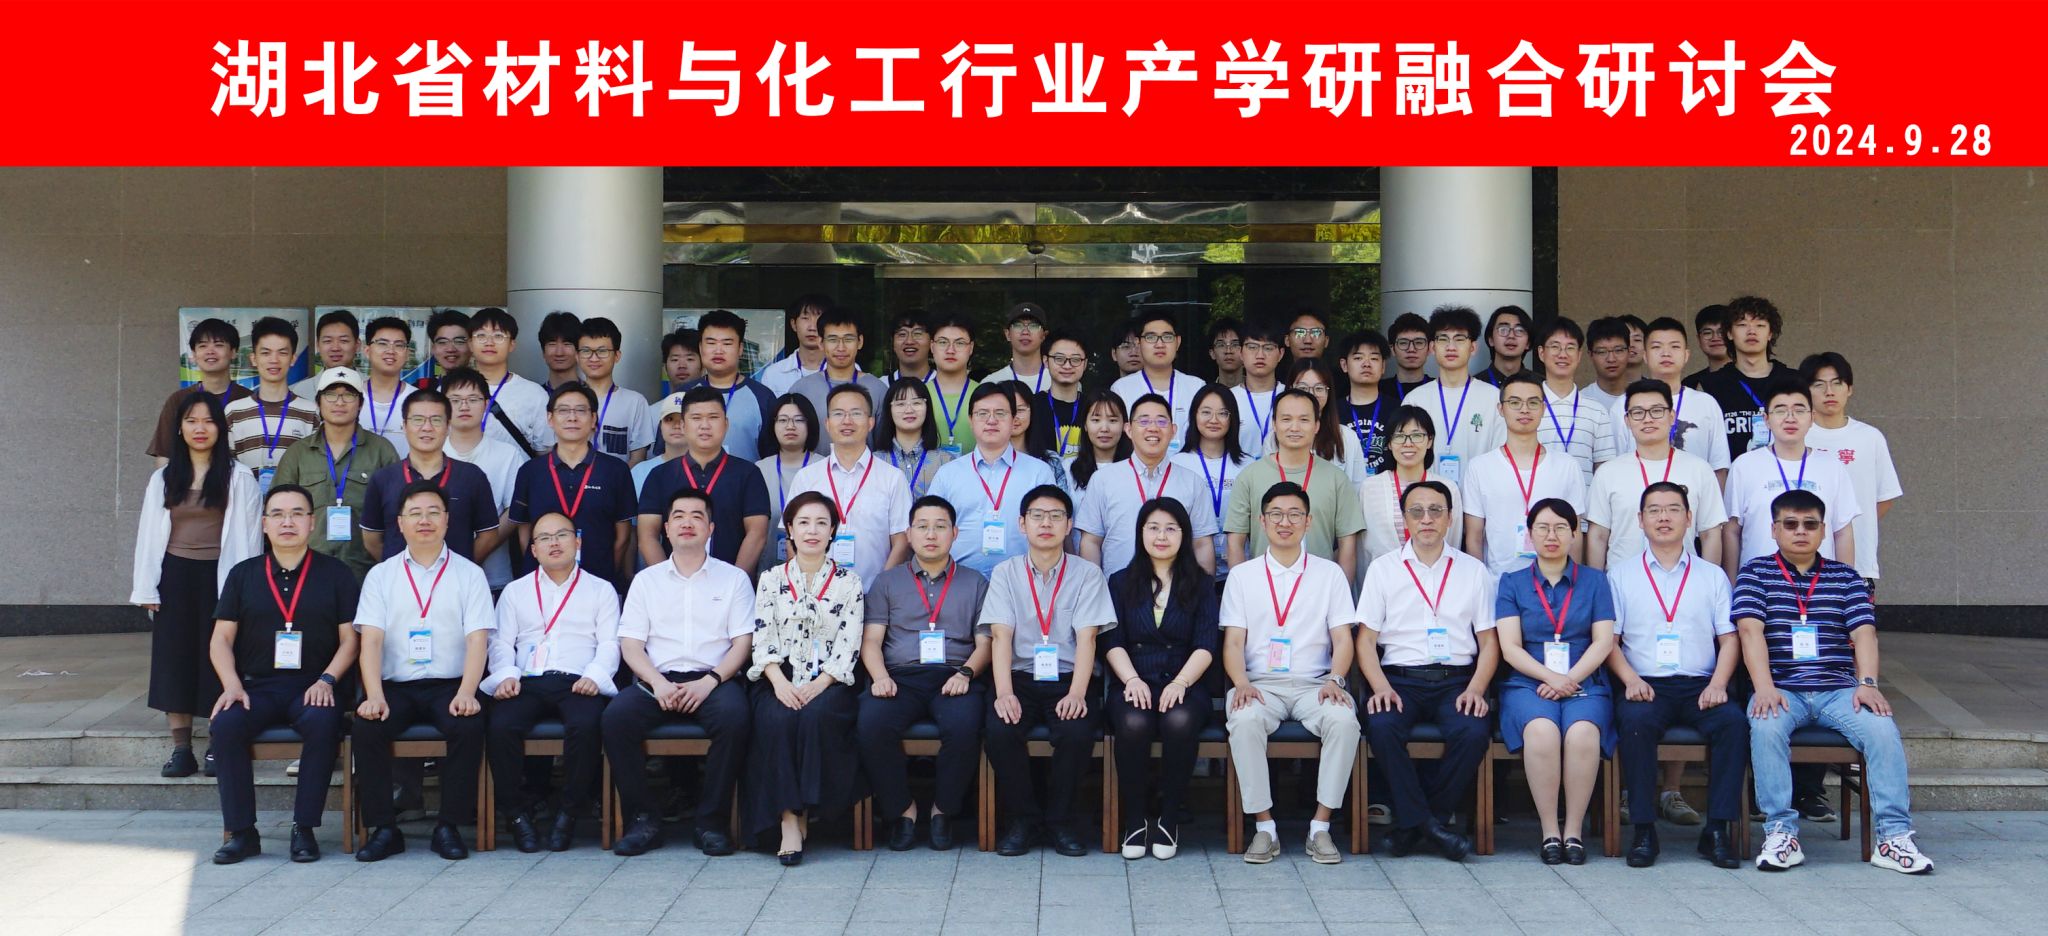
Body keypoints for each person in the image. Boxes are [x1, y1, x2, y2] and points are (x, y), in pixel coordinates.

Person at [1736, 490, 1931, 874]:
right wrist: (1763, 686)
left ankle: (1893, 838)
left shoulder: (1845, 577)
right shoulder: (1755, 573)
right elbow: (1749, 632)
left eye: (1810, 524)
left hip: (1839, 690)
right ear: (1774, 529)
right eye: (1791, 524)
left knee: (1882, 729)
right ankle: (1781, 833)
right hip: (1781, 689)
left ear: (1823, 530)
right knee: (1765, 726)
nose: (1801, 531)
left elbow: (1864, 634)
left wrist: (1868, 683)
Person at [205, 483, 360, 864]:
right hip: (256, 687)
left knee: (323, 722)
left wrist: (327, 680)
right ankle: (242, 832)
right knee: (225, 724)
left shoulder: (336, 574)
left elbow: (351, 640)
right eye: (277, 514)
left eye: (296, 514)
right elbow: (220, 639)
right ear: (264, 524)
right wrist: (231, 685)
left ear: (312, 522)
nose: (287, 522)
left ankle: (303, 828)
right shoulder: (243, 574)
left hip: (314, 686)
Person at [350, 479, 496, 862]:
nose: (424, 520)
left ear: (447, 520)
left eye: (433, 512)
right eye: (415, 513)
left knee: (468, 724)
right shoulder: (381, 575)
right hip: (395, 687)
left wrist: (467, 692)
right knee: (367, 727)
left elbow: (477, 640)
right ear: (400, 523)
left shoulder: (469, 574)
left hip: (451, 684)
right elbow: (371, 642)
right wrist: (374, 696)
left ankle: (449, 826)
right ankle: (384, 829)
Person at [605, 488, 755, 857]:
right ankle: (643, 820)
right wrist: (657, 683)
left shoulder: (734, 579)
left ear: (711, 528)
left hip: (714, 679)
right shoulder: (647, 581)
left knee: (736, 718)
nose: (688, 523)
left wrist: (710, 682)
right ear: (667, 529)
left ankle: (711, 822)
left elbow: (743, 643)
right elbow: (630, 645)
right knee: (615, 719)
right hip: (657, 680)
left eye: (697, 516)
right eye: (679, 516)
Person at [1355, 480, 1498, 861]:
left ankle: (1415, 825)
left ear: (1450, 518)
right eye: (1417, 511)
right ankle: (1433, 827)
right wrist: (1380, 687)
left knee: (1473, 731)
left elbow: (1489, 642)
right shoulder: (1383, 569)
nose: (1427, 519)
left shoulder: (1473, 571)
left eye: (1436, 511)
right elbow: (1365, 641)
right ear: (1405, 520)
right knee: (1382, 726)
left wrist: (1476, 689)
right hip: (1399, 679)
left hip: (1457, 682)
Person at [1608, 481, 1747, 869]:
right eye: (1654, 510)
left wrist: (1719, 684)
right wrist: (1631, 680)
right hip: (1645, 684)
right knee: (1635, 724)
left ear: (1689, 518)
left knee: (1734, 725)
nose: (1663, 517)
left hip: (1701, 686)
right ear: (1640, 520)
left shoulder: (1712, 576)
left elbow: (1730, 639)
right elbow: (1609, 642)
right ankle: (1643, 830)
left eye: (1673, 509)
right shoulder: (1620, 575)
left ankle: (1716, 830)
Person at [1221, 482, 1359, 865]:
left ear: (1308, 521)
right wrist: (1241, 683)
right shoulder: (1242, 576)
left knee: (1344, 721)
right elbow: (1233, 642)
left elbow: (1342, 639)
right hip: (1259, 684)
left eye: (1295, 514)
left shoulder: (1329, 574)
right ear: (1262, 521)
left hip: (1317, 685)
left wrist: (1336, 679)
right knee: (1244, 720)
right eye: (1277, 515)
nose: (1286, 522)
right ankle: (1264, 827)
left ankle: (1320, 827)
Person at [131, 390, 261, 777]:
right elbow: (148, 535)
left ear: (220, 428)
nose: (199, 429)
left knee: (220, 659)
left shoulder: (239, 477)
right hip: (175, 577)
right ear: (180, 429)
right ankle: (181, 749)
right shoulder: (163, 478)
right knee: (174, 660)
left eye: (208, 421)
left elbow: (250, 539)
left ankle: (219, 743)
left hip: (221, 577)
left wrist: (246, 591)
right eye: (191, 421)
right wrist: (147, 587)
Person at [981, 485, 1116, 857]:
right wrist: (1004, 693)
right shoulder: (1005, 573)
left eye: (1056, 516)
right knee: (1000, 728)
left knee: (1076, 731)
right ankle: (1023, 820)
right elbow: (1000, 636)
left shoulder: (1087, 574)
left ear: (1069, 525)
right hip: (1019, 677)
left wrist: (1077, 693)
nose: (1046, 524)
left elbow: (1088, 639)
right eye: (1037, 516)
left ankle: (1060, 822)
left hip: (1070, 677)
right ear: (1021, 524)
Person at [859, 496, 992, 852]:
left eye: (940, 526)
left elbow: (985, 643)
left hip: (954, 675)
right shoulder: (887, 582)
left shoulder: (975, 583)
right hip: (899, 676)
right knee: (871, 723)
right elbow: (871, 641)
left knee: (964, 726)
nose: (931, 534)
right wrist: (880, 676)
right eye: (922, 526)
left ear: (955, 533)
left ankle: (942, 811)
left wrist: (966, 673)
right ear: (909, 534)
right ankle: (902, 810)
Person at [482, 510, 620, 853]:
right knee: (500, 726)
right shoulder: (515, 591)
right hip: (527, 680)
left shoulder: (601, 590)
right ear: (533, 549)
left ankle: (569, 813)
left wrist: (594, 676)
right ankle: (516, 815)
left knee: (587, 725)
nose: (553, 543)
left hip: (578, 680)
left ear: (577, 542)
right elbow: (500, 643)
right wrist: (506, 675)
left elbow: (610, 643)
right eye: (544, 538)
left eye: (561, 535)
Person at [1491, 499, 1617, 865]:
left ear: (1575, 533)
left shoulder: (1595, 581)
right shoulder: (1512, 583)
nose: (1552, 535)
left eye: (1561, 527)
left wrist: (1569, 679)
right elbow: (1510, 647)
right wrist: (1551, 677)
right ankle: (1549, 831)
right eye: (1543, 528)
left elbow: (1603, 642)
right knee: (1542, 731)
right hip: (1528, 682)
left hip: (1584, 681)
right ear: (1529, 535)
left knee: (1583, 733)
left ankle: (1573, 832)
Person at [745, 492, 865, 865]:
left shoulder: (849, 582)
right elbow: (762, 638)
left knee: (815, 717)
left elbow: (849, 643)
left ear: (833, 532)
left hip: (829, 679)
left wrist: (819, 683)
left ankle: (808, 809)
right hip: (777, 676)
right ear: (790, 531)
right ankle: (788, 820)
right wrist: (780, 683)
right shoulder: (770, 579)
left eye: (821, 523)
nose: (812, 531)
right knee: (778, 719)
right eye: (804, 523)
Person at [1102, 498, 1218, 860]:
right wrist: (1131, 680)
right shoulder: (1121, 582)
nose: (1161, 536)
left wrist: (1181, 683)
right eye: (1153, 528)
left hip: (1185, 680)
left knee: (1179, 720)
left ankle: (1169, 817)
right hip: (1132, 678)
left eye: (1171, 528)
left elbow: (1206, 644)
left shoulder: (1201, 584)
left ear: (1184, 535)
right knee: (1133, 722)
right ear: (1141, 533)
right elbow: (1112, 641)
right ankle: (1135, 819)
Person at [271, 367, 400, 580]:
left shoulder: (381, 451)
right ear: (318, 403)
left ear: (360, 404)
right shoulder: (298, 453)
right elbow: (277, 512)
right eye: (331, 395)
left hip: (366, 571)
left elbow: (397, 515)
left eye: (348, 395)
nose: (339, 402)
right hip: (307, 571)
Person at [1587, 379, 1729, 572]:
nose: (1647, 419)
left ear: (1672, 416)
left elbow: (1710, 534)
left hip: (1684, 580)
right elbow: (1598, 536)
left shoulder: (1699, 469)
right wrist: (1598, 585)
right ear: (1627, 421)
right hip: (1622, 582)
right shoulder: (1608, 473)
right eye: (1638, 413)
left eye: (1656, 411)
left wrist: (1707, 581)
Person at [1721, 381, 1858, 578]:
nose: (1790, 418)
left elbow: (1842, 532)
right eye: (1780, 410)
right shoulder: (1744, 465)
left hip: (1820, 586)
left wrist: (1845, 584)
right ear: (1766, 419)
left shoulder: (1832, 467)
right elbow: (1731, 531)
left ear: (1812, 417)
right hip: (1760, 584)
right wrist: (1733, 586)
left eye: (1799, 411)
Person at [1223, 389, 1365, 577]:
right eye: (1286, 419)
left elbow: (1347, 546)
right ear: (1274, 424)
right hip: (1264, 587)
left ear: (1316, 425)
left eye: (1304, 420)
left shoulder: (1336, 479)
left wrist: (1340, 591)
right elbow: (1235, 543)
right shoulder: (1249, 477)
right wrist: (1243, 587)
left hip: (1319, 587)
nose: (1295, 427)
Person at [510, 383, 639, 590]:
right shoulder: (530, 471)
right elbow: (525, 530)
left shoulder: (615, 470)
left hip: (598, 582)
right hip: (542, 584)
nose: (572, 417)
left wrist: (603, 577)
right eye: (563, 411)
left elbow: (623, 535)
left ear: (594, 419)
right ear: (550, 418)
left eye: (580, 410)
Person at [1078, 393, 1220, 576]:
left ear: (1173, 430)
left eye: (1161, 421)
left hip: (1178, 590)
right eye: (1144, 421)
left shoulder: (1192, 482)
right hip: (1117, 590)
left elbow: (1202, 544)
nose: (1153, 428)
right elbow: (1091, 541)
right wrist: (1094, 589)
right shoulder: (1103, 480)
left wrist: (1203, 590)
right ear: (1128, 429)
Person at [1461, 373, 1588, 576]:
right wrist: (1482, 584)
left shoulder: (1567, 466)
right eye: (1515, 402)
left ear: (1544, 408)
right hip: (1499, 581)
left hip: (1554, 583)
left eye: (1533, 402)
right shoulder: (1479, 467)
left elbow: (1575, 533)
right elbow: (1474, 537)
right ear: (1500, 409)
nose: (1524, 409)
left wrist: (1570, 584)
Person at [358, 389, 503, 564]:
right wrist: (398, 570)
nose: (427, 428)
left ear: (448, 426)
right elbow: (371, 539)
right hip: (399, 579)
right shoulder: (383, 479)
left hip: (455, 579)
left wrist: (461, 569)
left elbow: (488, 536)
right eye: (418, 420)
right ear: (404, 425)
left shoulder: (471, 476)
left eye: (436, 420)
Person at [926, 385, 1058, 576]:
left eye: (1000, 413)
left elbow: (1052, 529)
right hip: (958, 582)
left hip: (1023, 580)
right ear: (970, 420)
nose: (991, 420)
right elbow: (930, 527)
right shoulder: (948, 473)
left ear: (1013, 420)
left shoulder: (1039, 472)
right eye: (982, 413)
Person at [638, 387, 773, 573]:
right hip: (674, 583)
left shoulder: (748, 474)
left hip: (731, 584)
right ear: (683, 426)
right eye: (696, 418)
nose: (705, 425)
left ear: (726, 424)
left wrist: (734, 581)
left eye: (713, 417)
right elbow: (647, 536)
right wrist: (667, 581)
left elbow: (756, 534)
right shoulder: (659, 475)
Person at [789, 383, 912, 585]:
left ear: (871, 422)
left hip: (873, 592)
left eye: (856, 413)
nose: (847, 421)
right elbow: (791, 537)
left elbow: (902, 541)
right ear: (827, 423)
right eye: (838, 414)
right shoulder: (806, 477)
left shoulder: (892, 478)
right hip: (817, 592)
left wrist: (881, 589)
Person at [1801, 352, 1902, 598]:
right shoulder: (1798, 436)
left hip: (1859, 561)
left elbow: (1885, 497)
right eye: (1819, 384)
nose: (1829, 392)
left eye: (1837, 383)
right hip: (1803, 557)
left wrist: (1851, 525)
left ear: (1849, 389)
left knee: (1856, 621)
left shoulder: (1870, 437)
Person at [1609, 317, 1733, 478]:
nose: (1666, 353)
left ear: (1686, 355)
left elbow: (1719, 467)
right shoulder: (1624, 404)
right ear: (1645, 355)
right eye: (1656, 347)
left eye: (1675, 346)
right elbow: (1614, 465)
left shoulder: (1706, 403)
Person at [440, 367, 527, 590]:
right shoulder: (432, 452)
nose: (464, 406)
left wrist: (481, 547)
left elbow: (515, 510)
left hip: (494, 578)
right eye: (455, 400)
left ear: (487, 404)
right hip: (435, 576)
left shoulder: (508, 454)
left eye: (473, 399)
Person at [1401, 305, 1504, 487]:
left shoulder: (1493, 398)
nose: (1451, 347)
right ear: (1432, 347)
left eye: (1459, 339)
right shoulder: (1415, 400)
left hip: (1479, 496)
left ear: (1473, 347)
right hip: (1427, 497)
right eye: (1443, 339)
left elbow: (1500, 457)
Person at [1357, 406, 1464, 565]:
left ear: (1429, 441)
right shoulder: (1370, 488)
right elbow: (1363, 549)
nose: (1408, 443)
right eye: (1399, 436)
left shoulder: (1448, 488)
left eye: (1416, 435)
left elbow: (1453, 542)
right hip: (1385, 577)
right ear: (1389, 443)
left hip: (1434, 576)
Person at [220, 314, 319, 484]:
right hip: (245, 499)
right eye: (265, 353)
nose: (274, 360)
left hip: (294, 500)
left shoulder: (310, 411)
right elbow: (226, 468)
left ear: (293, 359)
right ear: (254, 358)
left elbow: (314, 469)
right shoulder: (233, 412)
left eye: (282, 353)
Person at [1699, 295, 1802, 457]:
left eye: (1760, 325)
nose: (1751, 331)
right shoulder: (1710, 385)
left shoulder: (1794, 380)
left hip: (1785, 471)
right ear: (1729, 333)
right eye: (1742, 325)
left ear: (1770, 333)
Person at [1173, 384, 1252, 581]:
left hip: (1240, 569)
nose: (1214, 420)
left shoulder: (1248, 466)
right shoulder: (1176, 464)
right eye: (1206, 412)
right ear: (1194, 416)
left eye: (1222, 413)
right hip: (1190, 574)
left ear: (1232, 418)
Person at [148, 318, 252, 463]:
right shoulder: (179, 399)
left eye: (218, 345)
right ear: (194, 354)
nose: (210, 351)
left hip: (238, 476)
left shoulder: (249, 399)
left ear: (233, 352)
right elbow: (164, 454)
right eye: (203, 346)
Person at [682, 309, 779, 462]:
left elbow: (773, 458)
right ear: (700, 348)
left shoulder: (762, 397)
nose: (718, 350)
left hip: (746, 477)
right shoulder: (683, 395)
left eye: (727, 343)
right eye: (711, 343)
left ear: (740, 349)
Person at [789, 306, 889, 453]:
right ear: (821, 343)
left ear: (860, 342)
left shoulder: (877, 389)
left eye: (848, 339)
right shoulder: (802, 389)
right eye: (833, 339)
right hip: (814, 468)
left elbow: (884, 445)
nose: (841, 347)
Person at [1532, 316, 1617, 481]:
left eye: (1570, 347)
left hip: (1584, 497)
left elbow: (1604, 470)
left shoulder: (1597, 411)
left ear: (1579, 355)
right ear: (1541, 353)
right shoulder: (1528, 407)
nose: (1562, 354)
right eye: (1555, 347)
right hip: (1536, 496)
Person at [468, 307, 556, 458]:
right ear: (470, 344)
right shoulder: (451, 391)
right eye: (481, 335)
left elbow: (544, 454)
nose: (489, 342)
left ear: (512, 344)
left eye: (498, 336)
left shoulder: (534, 394)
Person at [1111, 310, 1204, 450]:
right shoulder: (1121, 389)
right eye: (1151, 337)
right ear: (1138, 342)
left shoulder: (1196, 387)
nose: (1160, 344)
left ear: (1178, 342)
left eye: (1167, 337)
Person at [572, 317, 655, 464]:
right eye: (586, 351)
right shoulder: (566, 401)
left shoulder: (635, 402)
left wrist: (617, 479)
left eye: (602, 351)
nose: (594, 358)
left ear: (617, 356)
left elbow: (638, 458)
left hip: (619, 479)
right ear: (577, 356)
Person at [754, 393, 820, 569]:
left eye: (799, 420)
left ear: (810, 424)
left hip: (815, 569)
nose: (790, 426)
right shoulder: (759, 470)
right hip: (768, 571)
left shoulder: (824, 467)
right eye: (783, 420)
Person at [1286, 358, 1371, 482]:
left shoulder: (1347, 437)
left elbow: (1357, 488)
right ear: (1290, 390)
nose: (1311, 394)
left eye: (1319, 388)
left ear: (1328, 392)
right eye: (1303, 388)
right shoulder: (1275, 437)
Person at [875, 376, 956, 499]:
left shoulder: (946, 462)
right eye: (900, 404)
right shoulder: (875, 462)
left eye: (916, 403)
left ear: (927, 408)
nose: (909, 410)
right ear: (889, 410)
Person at [1335, 329, 1397, 475]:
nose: (1366, 364)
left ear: (1383, 366)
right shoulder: (1332, 411)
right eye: (1358, 358)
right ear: (1344, 365)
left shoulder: (1397, 409)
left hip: (1387, 486)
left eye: (1374, 358)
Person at [359, 315, 419, 452]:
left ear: (407, 354)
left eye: (399, 345)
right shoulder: (351, 396)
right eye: (382, 343)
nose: (391, 351)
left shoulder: (418, 399)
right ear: (367, 351)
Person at [924, 312, 980, 454]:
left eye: (959, 343)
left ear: (971, 348)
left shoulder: (983, 394)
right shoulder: (919, 394)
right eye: (943, 342)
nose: (950, 350)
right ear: (932, 346)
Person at [1231, 319, 1287, 458]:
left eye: (1268, 348)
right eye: (1252, 347)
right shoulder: (1228, 398)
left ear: (1280, 354)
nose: (1260, 355)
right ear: (1240, 352)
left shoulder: (1291, 396)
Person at [755, 294, 831, 395]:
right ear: (794, 324)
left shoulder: (845, 371)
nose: (812, 327)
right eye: (805, 318)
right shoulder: (774, 373)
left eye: (819, 318)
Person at [1067, 389, 1133, 496]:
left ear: (1124, 426)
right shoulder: (1067, 468)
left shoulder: (1137, 468)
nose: (1104, 429)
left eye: (1112, 420)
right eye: (1096, 420)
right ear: (1085, 425)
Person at [1038, 331, 1088, 461]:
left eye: (1075, 360)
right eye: (1059, 359)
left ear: (1085, 364)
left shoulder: (1094, 407)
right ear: (1045, 361)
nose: (1067, 366)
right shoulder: (1032, 406)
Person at [290, 308, 362, 398]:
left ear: (357, 345)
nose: (335, 348)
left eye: (344, 340)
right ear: (318, 345)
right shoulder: (301, 391)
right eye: (328, 341)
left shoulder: (371, 387)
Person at [982, 301, 1051, 391]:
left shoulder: (1058, 380)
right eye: (1018, 326)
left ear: (1044, 335)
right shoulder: (992, 383)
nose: (1025, 332)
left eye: (1033, 326)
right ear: (1008, 334)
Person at [1579, 317, 1635, 425]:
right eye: (1602, 352)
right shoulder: (1582, 401)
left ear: (1629, 351)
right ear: (1590, 355)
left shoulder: (1643, 397)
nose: (1611, 359)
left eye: (1618, 350)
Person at [1474, 305, 1533, 387]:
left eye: (1519, 330)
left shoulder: (1540, 386)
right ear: (1491, 340)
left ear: (1528, 343)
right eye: (1503, 329)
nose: (1511, 336)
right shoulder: (1474, 386)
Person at [420, 308, 473, 390]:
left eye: (459, 341)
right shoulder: (420, 389)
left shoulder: (485, 388)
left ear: (472, 346)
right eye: (442, 342)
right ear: (433, 348)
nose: (450, 349)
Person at [1682, 303, 1731, 390]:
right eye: (1707, 333)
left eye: (1721, 332)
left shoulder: (1750, 377)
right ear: (1699, 339)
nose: (1715, 338)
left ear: (1732, 335)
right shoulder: (1690, 384)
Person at [1385, 312, 1433, 399]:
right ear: (1392, 349)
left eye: (1419, 343)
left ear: (1429, 348)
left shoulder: (1440, 390)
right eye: (1403, 343)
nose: (1411, 349)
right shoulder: (1378, 390)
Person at [886, 308, 935, 384]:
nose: (909, 341)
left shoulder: (945, 385)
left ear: (932, 341)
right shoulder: (879, 386)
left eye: (917, 334)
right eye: (902, 334)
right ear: (893, 342)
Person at [537, 311, 583, 391]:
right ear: (543, 351)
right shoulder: (535, 395)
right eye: (552, 344)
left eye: (567, 344)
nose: (559, 353)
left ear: (579, 351)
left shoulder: (591, 395)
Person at [1207, 317, 1245, 388]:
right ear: (1212, 353)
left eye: (1235, 344)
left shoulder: (1258, 392)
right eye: (1221, 345)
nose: (1228, 351)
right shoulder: (1207, 393)